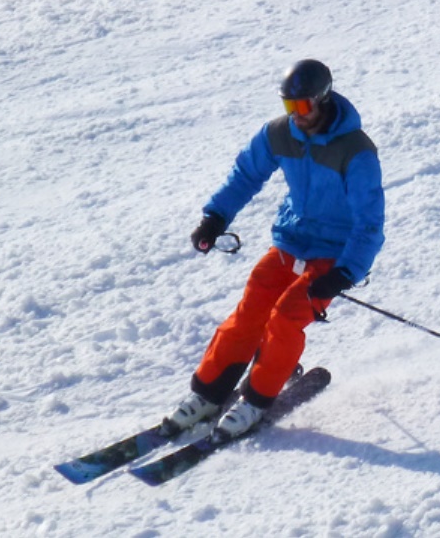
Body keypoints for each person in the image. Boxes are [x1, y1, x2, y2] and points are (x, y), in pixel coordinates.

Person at [163, 58, 385, 440]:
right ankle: (207, 395)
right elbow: (246, 175)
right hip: (290, 242)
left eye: (302, 106)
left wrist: (345, 272)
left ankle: (256, 399)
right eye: (288, 106)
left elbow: (369, 223)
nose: (296, 115)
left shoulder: (356, 152)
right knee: (250, 311)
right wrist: (215, 218)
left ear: (323, 100)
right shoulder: (279, 135)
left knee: (285, 317)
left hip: (331, 255)